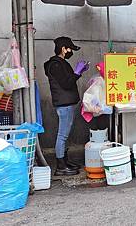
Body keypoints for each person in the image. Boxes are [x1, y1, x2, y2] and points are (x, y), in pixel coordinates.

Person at [44, 37, 89, 176]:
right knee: (62, 135)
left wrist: (79, 72)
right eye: (70, 49)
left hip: (66, 103)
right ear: (63, 48)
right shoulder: (56, 65)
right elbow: (66, 83)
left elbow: (69, 80)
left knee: (65, 134)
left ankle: (64, 160)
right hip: (64, 105)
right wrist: (76, 73)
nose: (71, 51)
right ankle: (61, 166)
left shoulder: (61, 63)